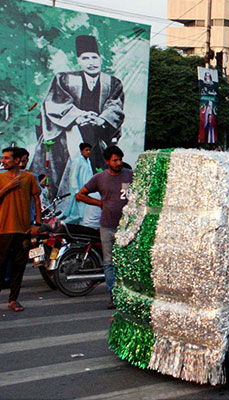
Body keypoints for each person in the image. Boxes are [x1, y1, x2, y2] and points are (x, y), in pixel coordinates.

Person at [33, 34, 125, 192]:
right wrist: (79, 115)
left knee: (98, 168)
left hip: (97, 133)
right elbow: (56, 102)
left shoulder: (112, 83)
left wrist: (101, 119)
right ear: (78, 60)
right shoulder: (65, 79)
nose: (91, 63)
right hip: (68, 133)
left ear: (100, 59)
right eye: (85, 58)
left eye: (94, 57)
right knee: (61, 169)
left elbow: (114, 105)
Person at [75, 146, 132, 309]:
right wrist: (100, 203)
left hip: (127, 227)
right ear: (108, 162)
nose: (118, 163)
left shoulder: (130, 175)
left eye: (120, 159)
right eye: (115, 160)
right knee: (109, 262)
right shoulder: (99, 178)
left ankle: (127, 295)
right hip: (107, 226)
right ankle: (113, 295)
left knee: (126, 262)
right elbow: (80, 195)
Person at [0, 147, 41, 312]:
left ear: (17, 160)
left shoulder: (29, 177)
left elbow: (36, 200)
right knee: (1, 265)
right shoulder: (1, 178)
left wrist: (37, 223)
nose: (3, 161)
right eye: (2, 158)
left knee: (19, 266)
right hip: (3, 229)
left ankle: (13, 299)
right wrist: (7, 187)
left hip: (23, 230)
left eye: (6, 158)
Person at [61, 143, 95, 224]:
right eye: (86, 150)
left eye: (89, 150)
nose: (88, 152)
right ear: (81, 151)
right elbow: (73, 177)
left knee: (83, 213)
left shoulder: (88, 162)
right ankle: (61, 226)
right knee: (75, 214)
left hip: (87, 191)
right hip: (79, 192)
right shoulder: (77, 161)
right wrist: (76, 191)